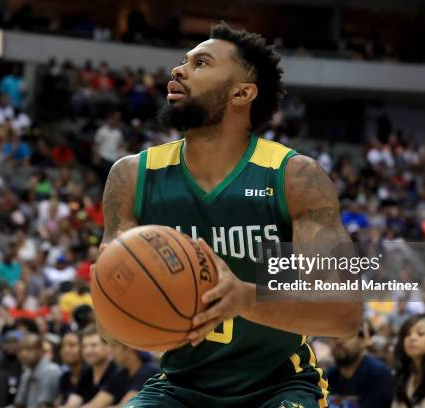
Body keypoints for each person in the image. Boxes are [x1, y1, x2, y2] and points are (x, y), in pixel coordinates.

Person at [94, 21, 361, 407]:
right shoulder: (132, 176)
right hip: (178, 387)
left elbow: (345, 313)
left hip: (278, 385)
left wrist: (244, 299)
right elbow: (108, 325)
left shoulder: (294, 177)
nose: (179, 70)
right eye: (182, 61)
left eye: (201, 63)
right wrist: (127, 300)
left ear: (242, 92)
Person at [327, 321, 393, 408]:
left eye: (347, 335)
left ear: (363, 341)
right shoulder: (328, 375)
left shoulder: (378, 374)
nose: (339, 340)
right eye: (334, 336)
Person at [59, 327, 118, 408]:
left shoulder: (116, 371)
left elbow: (95, 405)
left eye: (93, 345)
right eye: (84, 346)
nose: (87, 351)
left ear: (107, 347)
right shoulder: (87, 373)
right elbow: (72, 403)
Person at [14, 333, 62, 408]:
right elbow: (19, 404)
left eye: (29, 349)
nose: (23, 354)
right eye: (20, 350)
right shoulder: (26, 373)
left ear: (41, 350)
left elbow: (45, 405)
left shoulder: (51, 371)